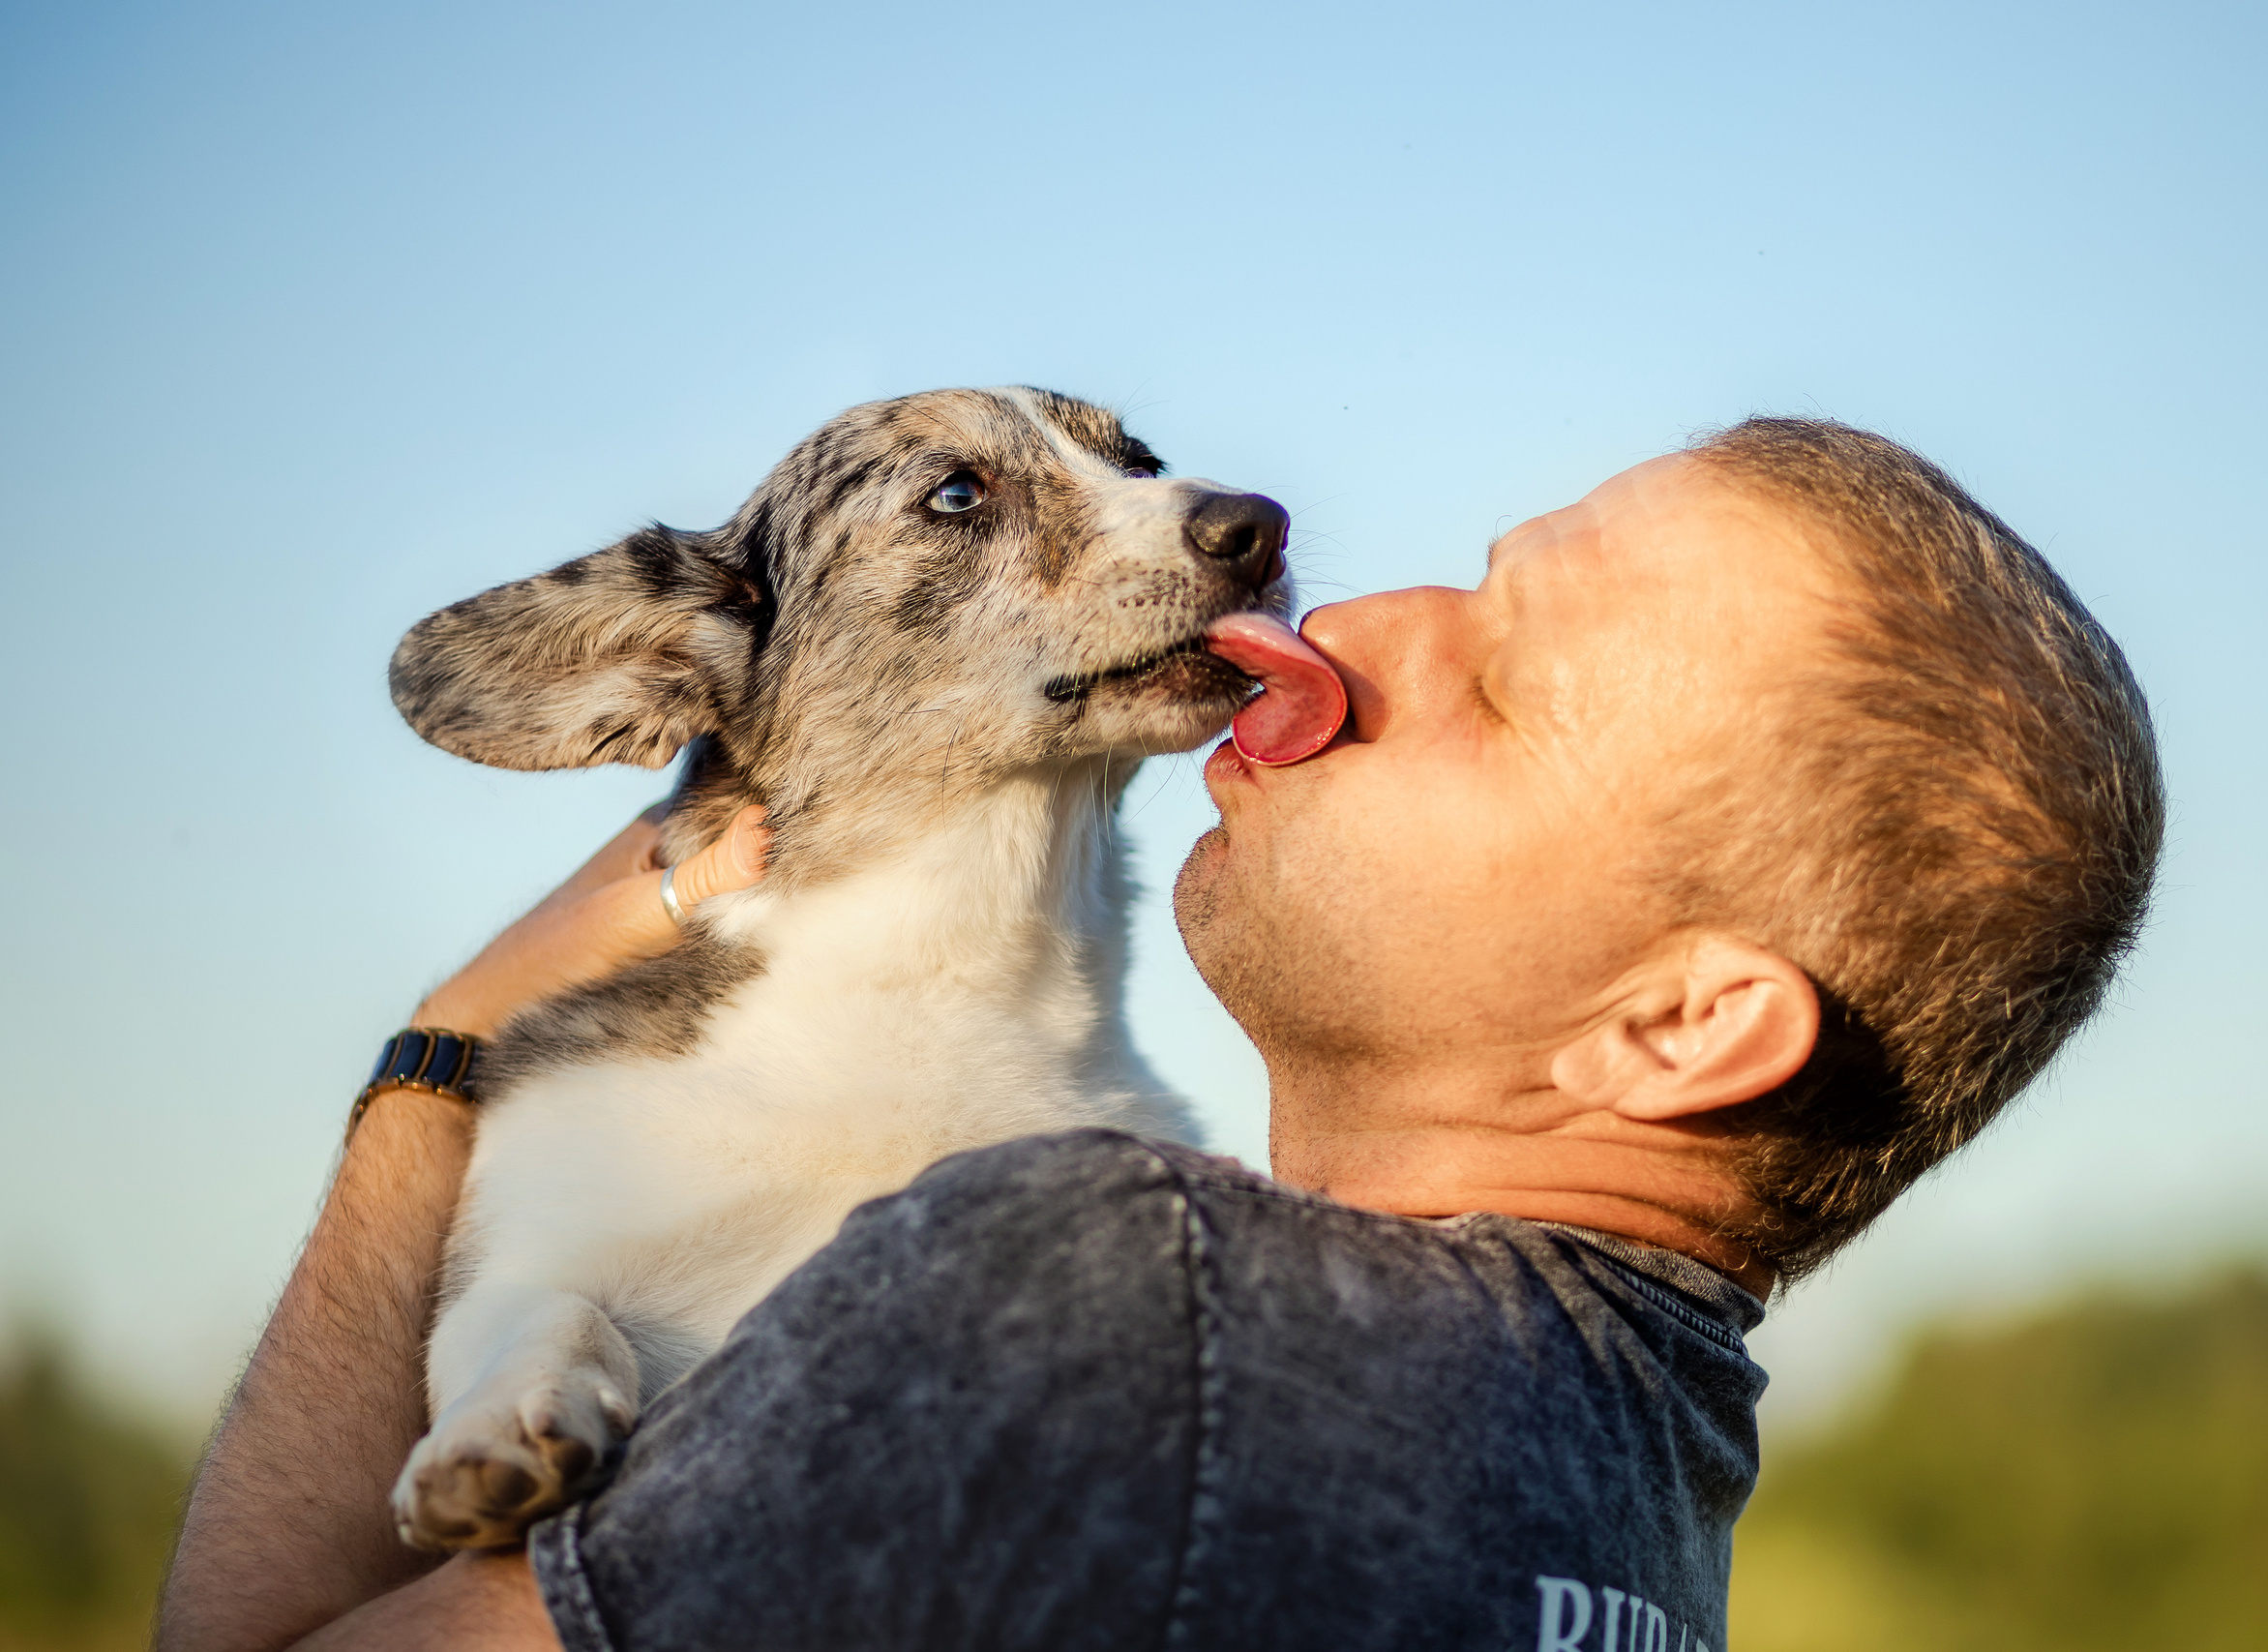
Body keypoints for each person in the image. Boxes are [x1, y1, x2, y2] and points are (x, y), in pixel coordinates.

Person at [156, 419, 2163, 1651]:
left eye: (1498, 669)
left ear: (1684, 1023)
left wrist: (445, 1049)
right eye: (1460, 578)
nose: (1342, 615)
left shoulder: (1118, 1301)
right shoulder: (1635, 1471)